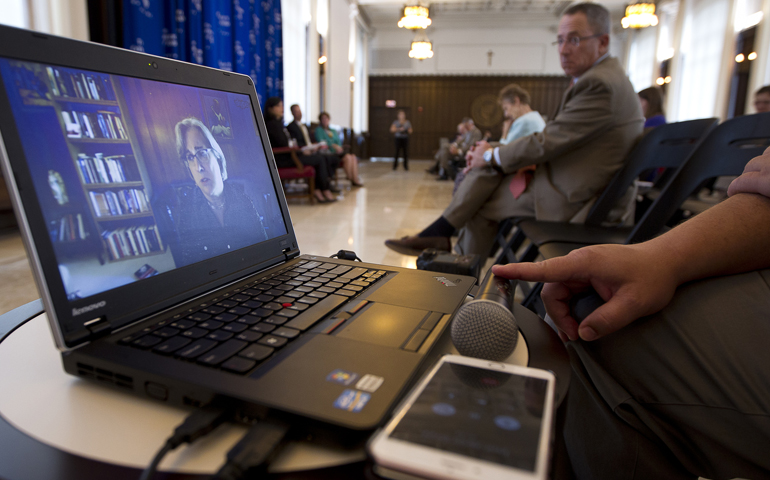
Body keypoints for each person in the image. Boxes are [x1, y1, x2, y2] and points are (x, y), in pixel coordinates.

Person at [490, 146, 770, 480]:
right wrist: (661, 257)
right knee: (589, 303)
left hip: (573, 194)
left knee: (606, 337)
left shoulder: (600, 91)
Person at [385, 3, 643, 256]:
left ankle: (456, 269)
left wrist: (488, 155)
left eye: (574, 40)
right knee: (486, 166)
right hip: (578, 185)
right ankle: (449, 251)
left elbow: (547, 142)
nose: (563, 50)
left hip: (580, 200)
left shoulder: (599, 84)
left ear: (603, 42)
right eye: (560, 40)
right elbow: (558, 139)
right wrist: (489, 153)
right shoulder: (606, 79)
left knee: (480, 197)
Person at [173, 117, 267, 266]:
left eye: (202, 153)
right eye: (190, 157)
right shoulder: (187, 213)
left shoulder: (243, 197)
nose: (198, 167)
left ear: (216, 156)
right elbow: (190, 267)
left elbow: (264, 250)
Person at [452, 84, 546, 194]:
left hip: (522, 172)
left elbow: (503, 150)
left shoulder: (525, 121)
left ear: (516, 101)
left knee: (463, 177)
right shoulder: (535, 116)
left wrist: (505, 133)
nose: (506, 114)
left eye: (506, 108)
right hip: (526, 167)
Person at [262, 97, 337, 203]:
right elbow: (283, 144)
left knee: (321, 157)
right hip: (283, 158)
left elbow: (288, 143)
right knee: (319, 159)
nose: (282, 108)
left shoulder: (278, 124)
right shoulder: (272, 125)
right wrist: (301, 151)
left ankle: (320, 189)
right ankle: (323, 190)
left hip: (290, 154)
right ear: (271, 109)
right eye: (279, 106)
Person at [314, 111, 363, 187]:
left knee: (352, 157)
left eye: (326, 118)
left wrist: (339, 147)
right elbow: (322, 142)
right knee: (347, 158)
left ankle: (355, 178)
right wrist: (333, 145)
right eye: (323, 119)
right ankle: (351, 179)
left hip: (338, 151)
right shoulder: (319, 130)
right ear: (320, 120)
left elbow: (338, 141)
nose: (325, 120)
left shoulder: (333, 131)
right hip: (329, 152)